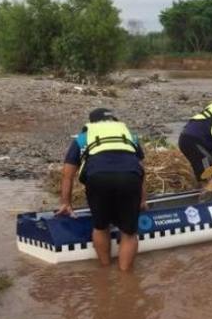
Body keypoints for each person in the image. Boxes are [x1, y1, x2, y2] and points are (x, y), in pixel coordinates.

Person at [56, 108, 146, 271]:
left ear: (92, 122)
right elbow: (140, 170)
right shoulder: (129, 136)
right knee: (129, 232)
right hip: (130, 178)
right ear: (114, 120)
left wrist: (66, 203)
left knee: (100, 226)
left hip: (98, 178)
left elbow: (67, 175)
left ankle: (104, 271)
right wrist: (142, 199)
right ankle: (125, 277)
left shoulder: (83, 137)